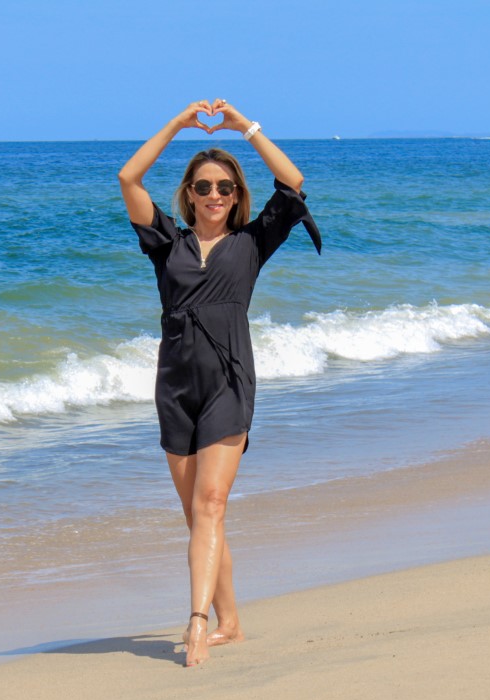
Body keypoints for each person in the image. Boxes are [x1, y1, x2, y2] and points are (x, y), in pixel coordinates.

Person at [118, 100, 321, 667]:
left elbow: (293, 180)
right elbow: (128, 178)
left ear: (237, 196)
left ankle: (199, 620)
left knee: (211, 502)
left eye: (225, 187)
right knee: (198, 515)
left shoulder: (253, 243)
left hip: (230, 383)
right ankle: (231, 619)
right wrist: (179, 126)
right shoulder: (166, 245)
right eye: (203, 186)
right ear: (188, 194)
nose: (214, 195)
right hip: (175, 386)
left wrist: (245, 129)